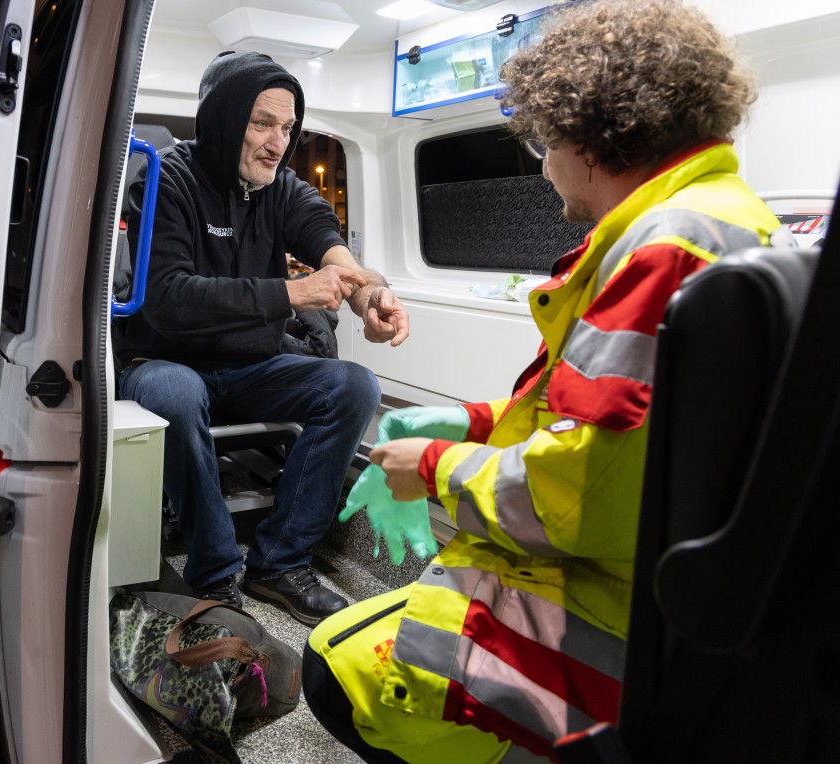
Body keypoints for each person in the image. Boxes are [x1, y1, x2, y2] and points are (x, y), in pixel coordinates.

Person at [304, 1, 792, 761]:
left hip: (628, 617)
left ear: (590, 138)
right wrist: (465, 423)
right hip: (689, 592)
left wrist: (430, 469)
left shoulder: (661, 252)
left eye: (542, 140)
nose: (540, 164)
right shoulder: (728, 216)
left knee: (337, 665)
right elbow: (600, 419)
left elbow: (581, 495)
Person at [117, 51, 410, 626]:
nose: (279, 142)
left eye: (288, 128)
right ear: (224, 120)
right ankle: (213, 572)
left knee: (353, 386)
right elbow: (169, 299)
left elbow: (339, 259)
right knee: (175, 396)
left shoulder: (284, 189)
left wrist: (370, 296)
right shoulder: (165, 180)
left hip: (252, 367)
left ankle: (279, 562)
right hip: (168, 359)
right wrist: (292, 293)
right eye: (262, 124)